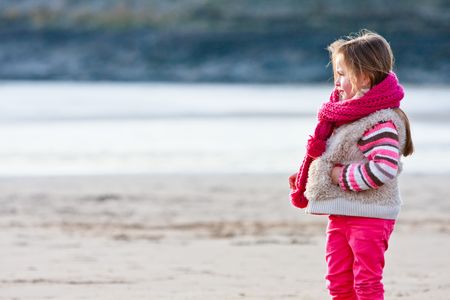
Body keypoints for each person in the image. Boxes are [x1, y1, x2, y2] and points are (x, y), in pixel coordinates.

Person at [288, 29, 414, 300]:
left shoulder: (379, 122)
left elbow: (383, 168)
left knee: (366, 282)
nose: (337, 81)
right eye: (336, 73)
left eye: (343, 74)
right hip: (342, 211)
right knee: (338, 282)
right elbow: (338, 153)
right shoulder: (347, 115)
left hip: (370, 214)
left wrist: (337, 175)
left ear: (365, 77)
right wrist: (309, 174)